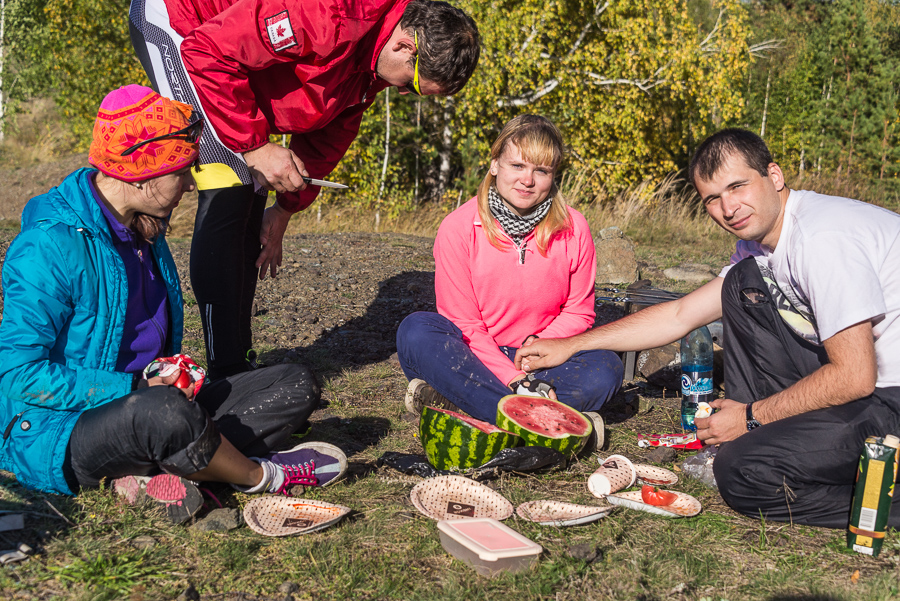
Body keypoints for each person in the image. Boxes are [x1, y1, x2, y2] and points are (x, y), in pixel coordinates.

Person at [515, 128, 900, 528]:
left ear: (775, 175)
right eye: (712, 198)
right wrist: (572, 344)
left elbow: (854, 376)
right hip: (872, 388)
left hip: (890, 397)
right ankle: (761, 439)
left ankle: (879, 497)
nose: (729, 207)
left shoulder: (822, 239)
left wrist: (751, 416)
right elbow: (681, 314)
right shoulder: (761, 248)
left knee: (743, 474)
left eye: (738, 186)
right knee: (740, 285)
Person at [0, 85, 348, 524]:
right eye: (182, 171)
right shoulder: (48, 245)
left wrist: (161, 379)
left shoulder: (146, 229)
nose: (188, 184)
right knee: (163, 415)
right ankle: (259, 475)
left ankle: (161, 472)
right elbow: (18, 376)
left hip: (154, 403)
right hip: (64, 430)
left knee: (293, 383)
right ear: (143, 172)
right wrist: (133, 390)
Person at [129, 0, 481, 379]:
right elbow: (207, 53)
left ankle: (236, 364)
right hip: (183, 23)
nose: (404, 93)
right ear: (405, 46)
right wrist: (255, 146)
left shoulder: (375, 58)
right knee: (229, 182)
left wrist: (284, 208)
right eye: (413, 86)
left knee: (253, 189)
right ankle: (221, 374)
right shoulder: (328, 14)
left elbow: (332, 131)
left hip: (220, 51)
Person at [396, 115, 624, 445]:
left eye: (541, 171)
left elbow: (579, 313)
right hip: (472, 357)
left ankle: (465, 404)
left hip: (541, 362)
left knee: (605, 368)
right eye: (517, 166)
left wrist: (537, 348)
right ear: (494, 165)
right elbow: (463, 322)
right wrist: (513, 379)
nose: (527, 180)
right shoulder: (457, 228)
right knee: (416, 331)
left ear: (553, 176)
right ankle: (540, 420)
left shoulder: (575, 227)